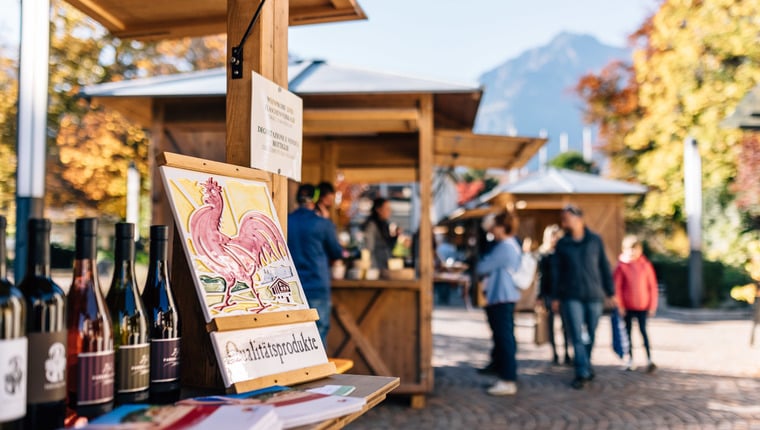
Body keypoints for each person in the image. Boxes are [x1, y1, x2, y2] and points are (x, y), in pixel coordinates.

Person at [551, 204, 616, 389]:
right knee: (577, 335)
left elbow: (604, 266)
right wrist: (555, 296)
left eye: (567, 218)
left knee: (591, 334)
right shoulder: (563, 244)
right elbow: (557, 271)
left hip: (594, 294)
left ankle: (586, 363)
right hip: (571, 295)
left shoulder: (595, 240)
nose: (564, 222)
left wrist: (610, 292)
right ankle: (582, 371)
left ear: (578, 218)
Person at [288, 183, 344, 347]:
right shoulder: (323, 224)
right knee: (318, 334)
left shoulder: (285, 221)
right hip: (316, 284)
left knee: (294, 337)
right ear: (315, 199)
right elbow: (337, 252)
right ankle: (317, 373)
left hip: (292, 288)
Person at [476, 212, 522, 396]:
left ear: (502, 227)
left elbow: (482, 267)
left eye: (494, 227)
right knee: (504, 337)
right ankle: (505, 374)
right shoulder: (509, 245)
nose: (491, 231)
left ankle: (508, 379)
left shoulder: (505, 247)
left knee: (504, 338)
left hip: (502, 296)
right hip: (503, 296)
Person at [614, 235, 658, 372]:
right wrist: (620, 305)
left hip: (642, 306)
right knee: (627, 334)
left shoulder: (646, 265)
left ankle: (649, 359)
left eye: (636, 249)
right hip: (627, 307)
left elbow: (652, 286)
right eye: (630, 249)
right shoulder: (621, 266)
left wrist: (652, 305)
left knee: (643, 332)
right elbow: (617, 288)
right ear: (624, 249)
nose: (633, 252)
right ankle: (629, 359)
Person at [538, 224, 572, 365]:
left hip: (563, 294)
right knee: (550, 325)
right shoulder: (544, 255)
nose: (555, 239)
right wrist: (539, 295)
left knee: (565, 325)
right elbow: (541, 276)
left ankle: (566, 353)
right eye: (553, 236)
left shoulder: (564, 254)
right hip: (548, 293)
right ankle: (555, 353)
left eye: (557, 236)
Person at [363, 198, 396, 270]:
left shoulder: (384, 225)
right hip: (376, 267)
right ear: (378, 210)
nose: (389, 211)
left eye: (390, 209)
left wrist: (395, 237)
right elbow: (369, 248)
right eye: (387, 209)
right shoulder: (372, 226)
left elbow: (389, 246)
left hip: (384, 266)